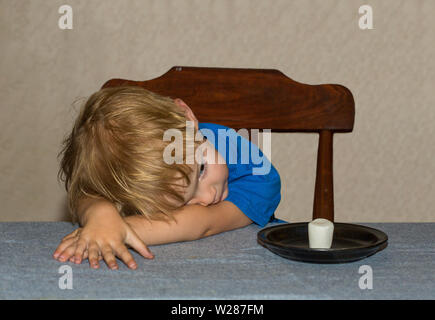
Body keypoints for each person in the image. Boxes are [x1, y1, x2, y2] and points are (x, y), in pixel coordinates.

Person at [53, 86, 282, 270]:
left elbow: (203, 224)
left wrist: (118, 229)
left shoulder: (257, 174)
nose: (207, 196)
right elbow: (86, 192)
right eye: (185, 200)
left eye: (202, 169)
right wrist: (100, 215)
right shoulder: (184, 147)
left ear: (188, 118)